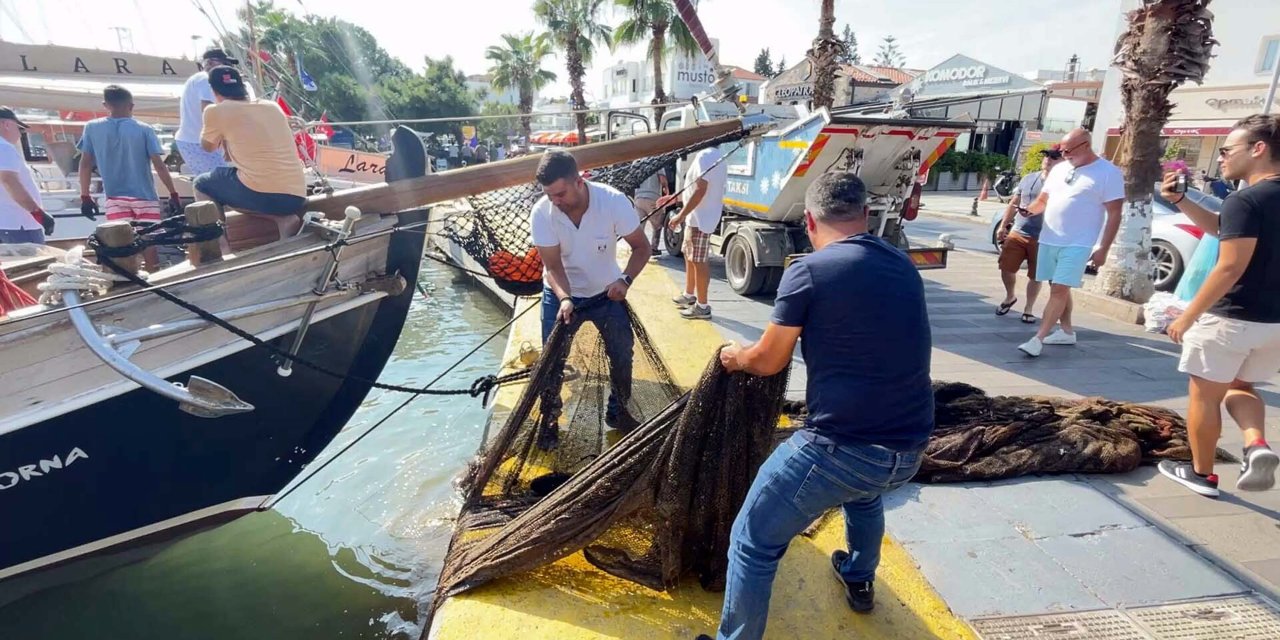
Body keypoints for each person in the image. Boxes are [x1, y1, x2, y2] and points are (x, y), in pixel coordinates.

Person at [706, 173, 933, 640]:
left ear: (809, 221)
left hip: (841, 450)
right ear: (866, 216)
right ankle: (858, 574)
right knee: (864, 491)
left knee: (752, 540)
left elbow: (768, 361)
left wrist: (734, 357)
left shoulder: (808, 271)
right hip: (908, 449)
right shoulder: (903, 264)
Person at [1159, 114, 1280, 498]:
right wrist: (1181, 200)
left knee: (1204, 395)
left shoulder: (1247, 199)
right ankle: (1256, 444)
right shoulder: (1245, 203)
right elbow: (1224, 229)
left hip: (1230, 319)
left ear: (1258, 149)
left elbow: (1230, 265)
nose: (1223, 158)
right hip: (1274, 323)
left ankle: (1201, 475)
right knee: (1240, 385)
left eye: (1228, 150)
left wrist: (1187, 316)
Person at [531, 150, 652, 431]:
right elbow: (552, 267)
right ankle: (549, 420)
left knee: (622, 353)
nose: (555, 201)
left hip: (605, 292)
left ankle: (618, 411)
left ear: (579, 181)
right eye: (549, 195)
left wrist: (625, 280)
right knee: (551, 362)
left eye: (560, 193)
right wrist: (564, 299)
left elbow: (642, 247)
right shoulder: (542, 212)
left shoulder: (612, 202)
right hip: (561, 295)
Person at [1016, 128, 1124, 357]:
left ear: (1085, 145)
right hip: (1049, 238)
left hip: (1079, 242)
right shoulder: (1060, 170)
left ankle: (1038, 339)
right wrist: (1029, 210)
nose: (1064, 154)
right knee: (1058, 286)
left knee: (1059, 289)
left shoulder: (1108, 172)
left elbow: (1115, 213)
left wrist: (1103, 249)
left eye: (1068, 150)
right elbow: (1043, 200)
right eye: (1061, 150)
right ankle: (1066, 331)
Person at [77, 85, 182, 269]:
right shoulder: (144, 129)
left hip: (114, 196)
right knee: (149, 241)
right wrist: (173, 194)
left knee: (121, 242)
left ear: (105, 105)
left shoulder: (92, 128)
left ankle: (131, 280)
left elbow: (85, 164)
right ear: (131, 106)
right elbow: (159, 165)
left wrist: (85, 196)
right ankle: (154, 275)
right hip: (144, 194)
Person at [194, 66, 306, 217]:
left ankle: (219, 240)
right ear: (242, 87)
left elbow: (208, 147)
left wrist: (215, 127)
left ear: (213, 91)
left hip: (263, 196)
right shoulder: (272, 107)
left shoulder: (215, 111)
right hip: (296, 196)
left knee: (201, 184)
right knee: (246, 180)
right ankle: (283, 221)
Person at [996, 145, 1064, 323]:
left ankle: (1028, 309)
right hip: (1018, 231)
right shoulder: (1028, 179)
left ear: (1063, 161)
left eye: (1054, 157)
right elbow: (1014, 202)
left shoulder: (1063, 184)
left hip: (1043, 237)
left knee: (1036, 275)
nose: (1048, 159)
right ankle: (1010, 296)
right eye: (1047, 156)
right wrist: (1003, 226)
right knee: (1006, 267)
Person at [663, 144, 727, 320]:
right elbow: (695, 188)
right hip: (697, 217)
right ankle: (690, 294)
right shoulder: (715, 156)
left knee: (698, 261)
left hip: (700, 218)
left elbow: (700, 190)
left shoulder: (705, 156)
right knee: (689, 255)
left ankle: (702, 305)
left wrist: (680, 216)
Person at [175, 48, 240, 177]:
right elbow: (208, 112)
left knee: (217, 183)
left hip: (200, 141)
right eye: (224, 63)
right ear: (209, 63)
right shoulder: (206, 79)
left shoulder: (199, 79)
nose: (227, 68)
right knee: (217, 183)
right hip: (197, 143)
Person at [0, 107, 52, 244]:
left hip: (6, 224)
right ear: (6, 124)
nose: (20, 133)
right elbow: (8, 180)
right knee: (34, 264)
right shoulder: (4, 147)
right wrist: (38, 213)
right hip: (18, 225)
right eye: (19, 128)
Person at [633, 170, 667, 257]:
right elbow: (662, 179)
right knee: (657, 225)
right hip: (652, 198)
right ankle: (654, 248)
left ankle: (636, 247)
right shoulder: (657, 161)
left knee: (639, 225)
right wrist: (666, 192)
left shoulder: (637, 162)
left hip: (638, 198)